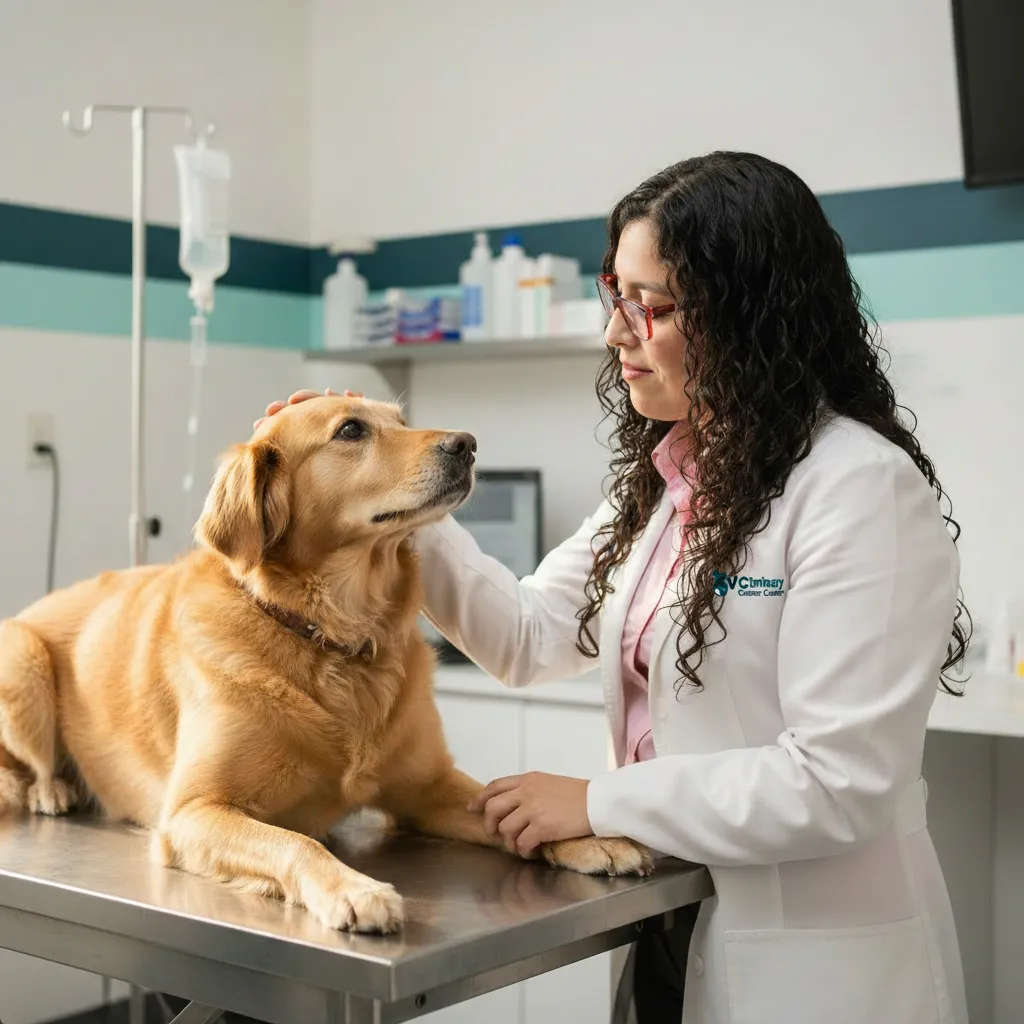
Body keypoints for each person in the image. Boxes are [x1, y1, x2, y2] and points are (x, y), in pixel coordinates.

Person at [258, 152, 970, 1024]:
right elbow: (524, 636)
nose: (615, 333)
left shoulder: (860, 488)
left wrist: (593, 800)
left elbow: (837, 782)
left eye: (654, 307)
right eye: (614, 296)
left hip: (816, 964)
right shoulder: (675, 488)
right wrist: (388, 488)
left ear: (751, 317)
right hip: (674, 922)